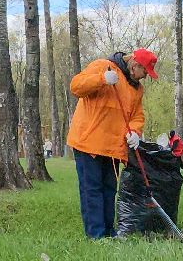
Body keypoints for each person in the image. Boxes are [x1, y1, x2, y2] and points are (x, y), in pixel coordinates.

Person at [67, 48, 157, 238]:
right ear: (134, 65)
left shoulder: (137, 89)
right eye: (145, 72)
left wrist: (134, 132)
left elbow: (137, 116)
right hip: (88, 142)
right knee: (92, 189)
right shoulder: (103, 66)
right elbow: (76, 86)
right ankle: (96, 234)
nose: (146, 77)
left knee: (109, 190)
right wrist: (101, 79)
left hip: (113, 147)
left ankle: (109, 231)